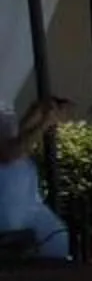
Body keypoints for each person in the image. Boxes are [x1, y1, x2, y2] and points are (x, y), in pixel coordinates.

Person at [0, 96, 70, 258]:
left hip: (28, 216)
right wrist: (44, 122)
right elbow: (12, 149)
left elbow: (18, 135)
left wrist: (34, 114)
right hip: (13, 221)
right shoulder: (9, 154)